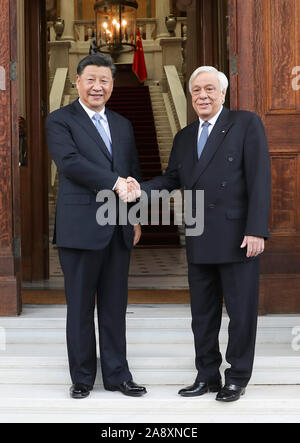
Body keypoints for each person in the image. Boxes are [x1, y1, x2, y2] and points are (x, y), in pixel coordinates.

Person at [122, 66, 271, 402]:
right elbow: (170, 180)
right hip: (200, 234)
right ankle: (207, 375)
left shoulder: (245, 124)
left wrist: (257, 229)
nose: (202, 96)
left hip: (239, 236)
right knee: (202, 314)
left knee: (241, 313)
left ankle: (237, 376)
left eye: (209, 89)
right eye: (196, 91)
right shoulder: (185, 137)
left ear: (223, 93)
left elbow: (260, 179)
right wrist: (137, 189)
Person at [46, 53, 146, 399]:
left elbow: (133, 171)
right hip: (79, 228)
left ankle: (118, 376)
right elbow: (70, 163)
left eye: (104, 80)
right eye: (91, 79)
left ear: (112, 85)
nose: (97, 86)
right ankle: (83, 378)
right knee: (80, 306)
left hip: (118, 227)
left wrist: (134, 216)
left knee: (115, 305)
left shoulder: (122, 124)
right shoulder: (60, 120)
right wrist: (115, 182)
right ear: (78, 82)